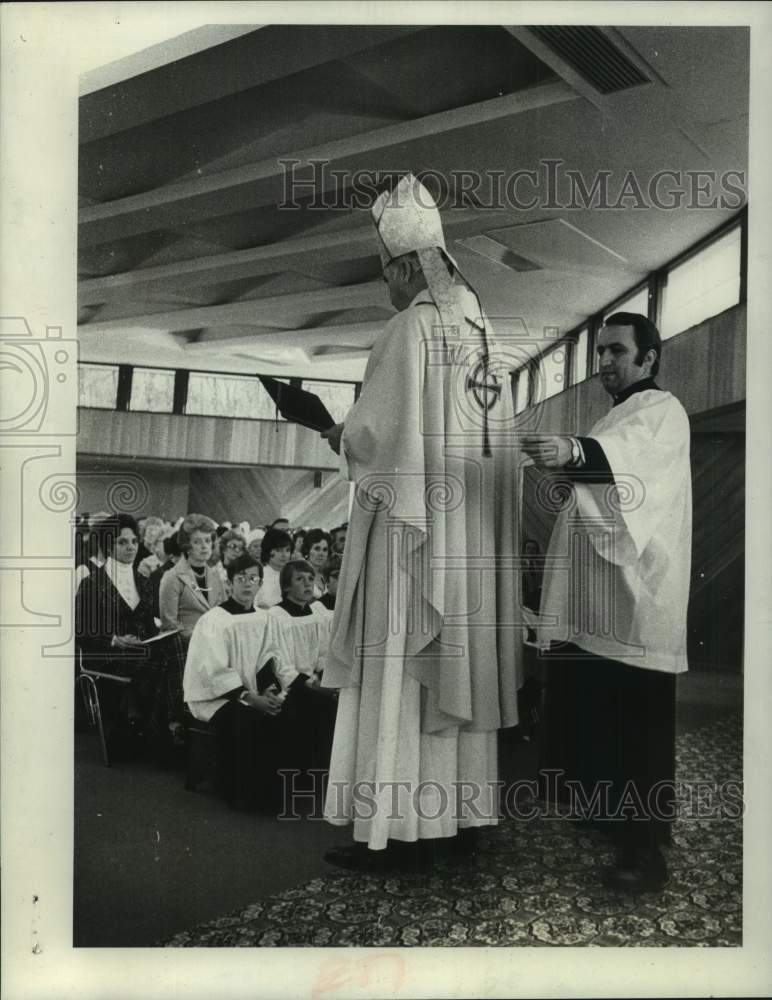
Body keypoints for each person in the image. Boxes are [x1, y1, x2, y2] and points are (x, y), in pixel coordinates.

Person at [319, 173, 521, 870]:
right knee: (454, 666)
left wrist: (340, 435)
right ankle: (462, 817)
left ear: (407, 265)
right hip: (468, 545)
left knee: (400, 672)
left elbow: (376, 436)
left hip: (414, 542)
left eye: (387, 274)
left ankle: (397, 832)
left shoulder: (411, 326)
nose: (387, 289)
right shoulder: (484, 331)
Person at [522, 311, 692, 893]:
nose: (604, 364)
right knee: (607, 719)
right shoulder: (615, 415)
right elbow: (599, 477)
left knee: (637, 724)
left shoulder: (661, 412)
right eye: (599, 353)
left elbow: (629, 468)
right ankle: (614, 818)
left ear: (649, 358)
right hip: (601, 599)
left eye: (617, 351)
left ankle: (646, 855)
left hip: (638, 599)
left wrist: (572, 450)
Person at [183, 554, 303, 810]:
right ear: (229, 582)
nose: (247, 584)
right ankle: (244, 797)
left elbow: (272, 654)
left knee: (286, 713)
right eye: (241, 578)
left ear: (260, 583)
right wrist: (250, 697)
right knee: (248, 720)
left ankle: (275, 795)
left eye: (253, 578)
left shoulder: (264, 617)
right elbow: (211, 670)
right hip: (214, 697)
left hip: (253, 691)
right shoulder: (214, 620)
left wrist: (269, 691)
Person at [256, 527, 293, 609]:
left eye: (287, 550)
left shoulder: (293, 574)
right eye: (278, 550)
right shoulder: (259, 575)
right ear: (268, 550)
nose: (284, 555)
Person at [300, 528, 331, 598]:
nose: (321, 554)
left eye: (325, 550)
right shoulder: (299, 574)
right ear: (307, 550)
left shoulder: (324, 576)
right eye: (317, 549)